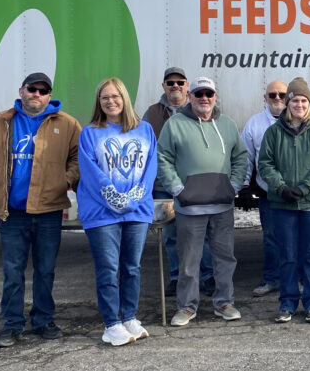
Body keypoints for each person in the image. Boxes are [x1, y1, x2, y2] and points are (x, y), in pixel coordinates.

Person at [0, 72, 81, 348]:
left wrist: (64, 180)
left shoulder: (67, 125)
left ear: (50, 95)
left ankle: (43, 320)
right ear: (21, 91)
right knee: (13, 270)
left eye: (44, 91)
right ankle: (12, 323)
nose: (37, 95)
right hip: (12, 212)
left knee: (45, 270)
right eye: (32, 89)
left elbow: (79, 158)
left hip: (49, 211)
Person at [157, 77, 247, 326]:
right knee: (189, 260)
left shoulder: (227, 124)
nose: (204, 98)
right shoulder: (174, 125)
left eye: (209, 93)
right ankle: (186, 307)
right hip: (189, 207)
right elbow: (163, 158)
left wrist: (235, 186)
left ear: (215, 96)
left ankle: (224, 303)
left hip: (222, 206)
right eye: (199, 93)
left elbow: (240, 157)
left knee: (225, 258)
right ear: (190, 96)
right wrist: (177, 188)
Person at [77, 78, 158, 345]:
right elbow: (90, 173)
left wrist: (133, 198)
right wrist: (114, 197)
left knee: (132, 267)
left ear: (125, 98)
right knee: (108, 268)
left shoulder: (145, 130)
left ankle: (129, 317)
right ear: (99, 103)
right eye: (105, 98)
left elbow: (150, 171)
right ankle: (111, 323)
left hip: (137, 211)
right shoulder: (90, 133)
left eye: (115, 96)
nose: (111, 102)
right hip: (101, 213)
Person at [258, 78, 310, 323]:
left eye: (303, 100)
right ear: (287, 103)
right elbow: (265, 163)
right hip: (283, 204)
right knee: (288, 255)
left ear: (309, 103)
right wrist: (281, 188)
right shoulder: (273, 132)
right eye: (294, 100)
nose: (299, 105)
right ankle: (288, 303)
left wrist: (304, 188)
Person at [141, 68, 214, 298]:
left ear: (187, 87)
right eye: (170, 82)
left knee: (200, 234)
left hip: (193, 184)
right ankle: (175, 277)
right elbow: (145, 148)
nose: (175, 86)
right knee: (171, 236)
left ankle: (207, 275)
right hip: (163, 184)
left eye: (180, 82)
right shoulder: (152, 113)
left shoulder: (198, 110)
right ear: (163, 86)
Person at [241, 79, 288, 297]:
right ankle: (272, 279)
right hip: (268, 192)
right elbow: (247, 157)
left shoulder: (298, 118)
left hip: (296, 193)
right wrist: (244, 186)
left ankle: (295, 279)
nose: (277, 99)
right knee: (271, 237)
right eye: (273, 95)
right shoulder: (255, 123)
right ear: (265, 98)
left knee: (295, 237)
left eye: (282, 95)